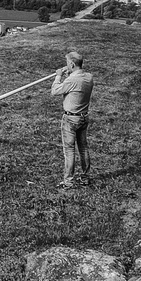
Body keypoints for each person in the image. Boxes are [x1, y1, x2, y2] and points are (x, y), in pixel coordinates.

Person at [50, 50, 93, 188]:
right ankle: (85, 177)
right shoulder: (88, 77)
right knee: (83, 148)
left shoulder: (72, 80)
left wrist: (58, 76)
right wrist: (69, 74)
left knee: (69, 151)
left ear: (73, 64)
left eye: (68, 63)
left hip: (70, 119)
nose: (66, 65)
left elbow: (55, 91)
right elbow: (76, 83)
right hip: (84, 117)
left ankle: (68, 181)